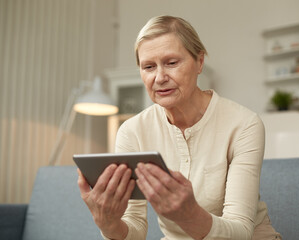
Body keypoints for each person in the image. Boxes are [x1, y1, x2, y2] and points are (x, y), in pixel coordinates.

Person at [78, 15, 282, 240]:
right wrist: (109, 225)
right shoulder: (132, 131)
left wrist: (190, 215)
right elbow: (135, 226)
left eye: (171, 63)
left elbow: (241, 230)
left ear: (199, 62)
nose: (159, 77)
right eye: (148, 66)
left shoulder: (243, 124)